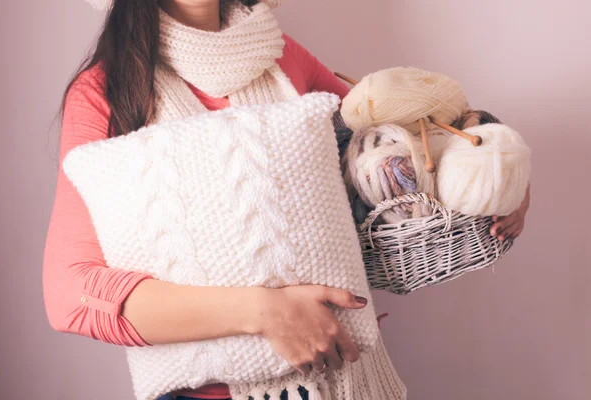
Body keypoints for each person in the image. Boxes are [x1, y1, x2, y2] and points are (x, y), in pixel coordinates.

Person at [43, 1, 403, 399]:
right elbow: (70, 294)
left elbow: (390, 153)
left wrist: (474, 194)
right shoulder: (105, 91)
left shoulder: (278, 53)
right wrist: (266, 314)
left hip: (348, 374)